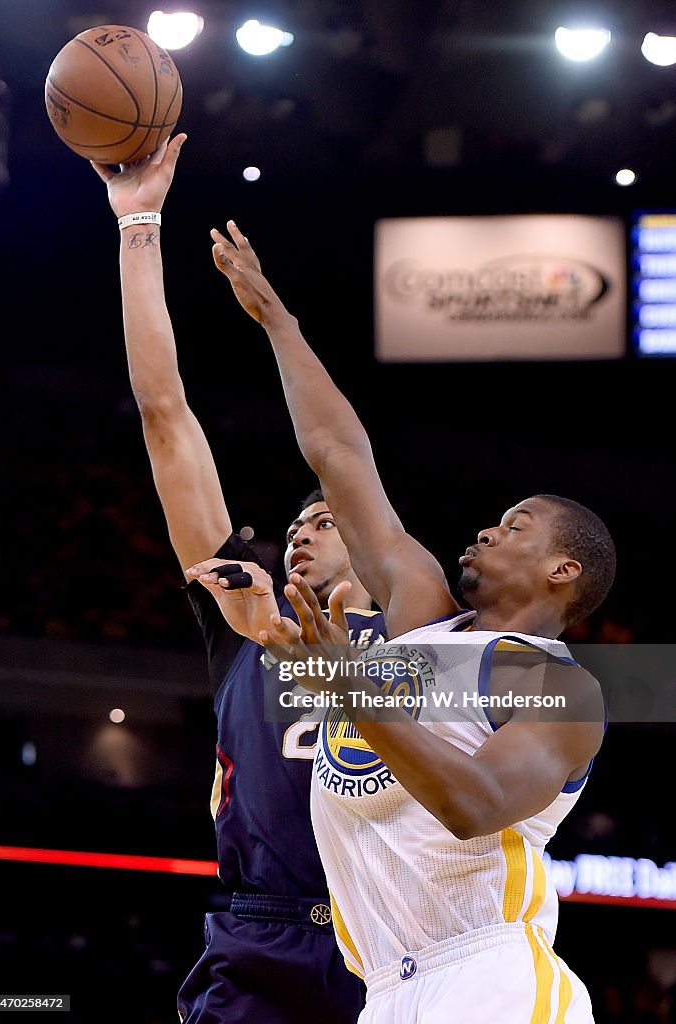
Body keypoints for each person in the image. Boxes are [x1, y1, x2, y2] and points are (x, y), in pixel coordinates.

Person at [205, 219, 617, 1023]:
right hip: (387, 989)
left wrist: (348, 686)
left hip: (489, 976)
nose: (490, 528)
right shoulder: (422, 615)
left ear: (563, 570)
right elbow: (338, 454)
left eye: (517, 523)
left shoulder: (555, 685)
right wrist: (277, 321)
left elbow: (472, 802)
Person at [90, 136, 386, 1024]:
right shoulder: (243, 621)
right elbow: (165, 416)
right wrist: (137, 224)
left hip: (394, 942)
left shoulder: (424, 635)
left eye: (325, 520)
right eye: (294, 523)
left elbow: (595, 690)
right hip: (259, 939)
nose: (300, 532)